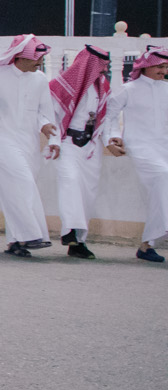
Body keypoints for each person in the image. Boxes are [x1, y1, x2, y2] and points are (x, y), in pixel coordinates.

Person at [0, 34, 58, 258]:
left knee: (15, 189)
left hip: (28, 142)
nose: (40, 63)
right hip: (2, 139)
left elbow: (44, 111)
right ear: (21, 57)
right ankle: (32, 234)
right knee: (23, 183)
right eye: (37, 58)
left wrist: (47, 128)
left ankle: (15, 241)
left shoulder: (40, 79)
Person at [106, 42, 168, 263]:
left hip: (164, 146)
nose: (163, 71)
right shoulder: (129, 89)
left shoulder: (166, 89)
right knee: (163, 176)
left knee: (161, 191)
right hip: (140, 147)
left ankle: (147, 245)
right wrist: (113, 137)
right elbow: (110, 115)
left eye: (166, 67)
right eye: (159, 66)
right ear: (145, 66)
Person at [47, 45, 112, 258]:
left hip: (91, 146)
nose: (104, 68)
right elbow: (51, 116)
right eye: (101, 64)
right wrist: (54, 141)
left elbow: (105, 118)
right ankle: (70, 231)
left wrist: (110, 140)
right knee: (71, 182)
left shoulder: (103, 85)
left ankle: (79, 242)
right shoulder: (62, 84)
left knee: (87, 192)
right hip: (68, 142)